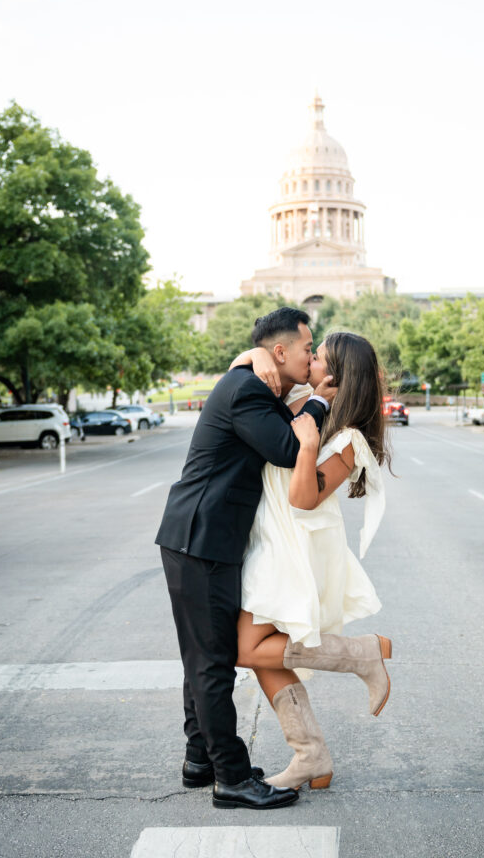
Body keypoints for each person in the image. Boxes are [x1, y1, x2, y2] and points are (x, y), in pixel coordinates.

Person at [155, 307, 335, 810]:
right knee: (213, 662)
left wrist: (285, 377)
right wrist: (320, 399)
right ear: (281, 351)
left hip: (202, 537)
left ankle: (201, 760)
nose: (311, 353)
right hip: (202, 537)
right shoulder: (248, 387)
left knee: (203, 657)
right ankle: (231, 777)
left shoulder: (255, 380)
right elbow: (285, 447)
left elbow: (281, 416)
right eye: (307, 347)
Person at [233, 331, 392, 792]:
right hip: (270, 539)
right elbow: (243, 381)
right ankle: (311, 755)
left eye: (317, 356)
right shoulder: (308, 400)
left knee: (246, 648)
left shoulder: (350, 440)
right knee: (261, 654)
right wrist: (256, 352)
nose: (308, 359)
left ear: (337, 374)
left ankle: (363, 654)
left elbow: (303, 498)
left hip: (294, 549)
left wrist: (305, 444)